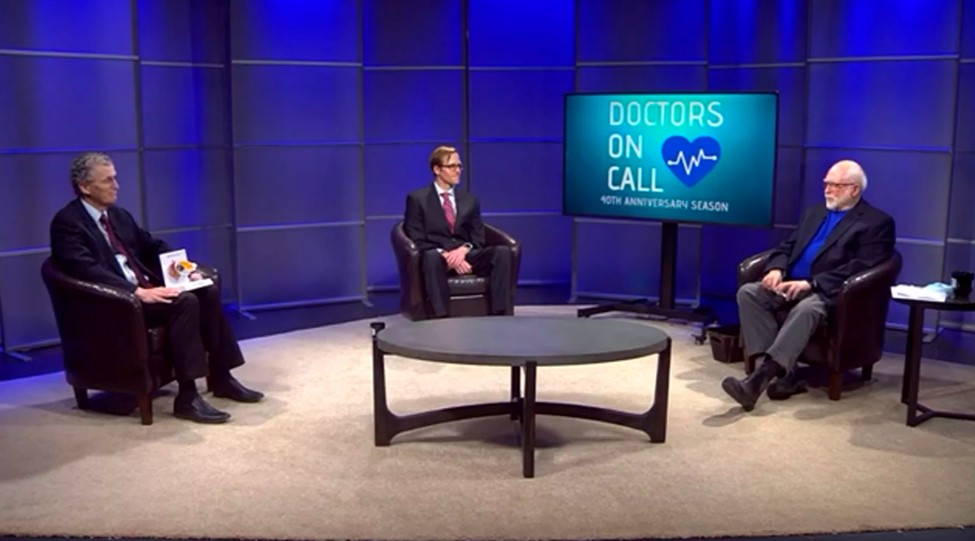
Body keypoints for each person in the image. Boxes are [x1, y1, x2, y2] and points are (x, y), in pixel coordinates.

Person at [49, 152, 263, 424]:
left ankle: (221, 377)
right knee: (185, 302)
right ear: (84, 186)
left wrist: (186, 269)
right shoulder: (67, 223)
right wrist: (135, 292)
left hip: (144, 292)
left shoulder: (118, 215)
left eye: (115, 178)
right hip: (114, 306)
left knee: (205, 290)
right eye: (108, 180)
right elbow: (85, 270)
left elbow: (151, 246)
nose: (117, 185)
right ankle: (187, 397)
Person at [721, 160, 895, 411]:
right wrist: (776, 268)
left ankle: (759, 379)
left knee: (807, 309)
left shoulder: (876, 222)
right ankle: (786, 375)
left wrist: (811, 283)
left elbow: (862, 266)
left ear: (854, 189)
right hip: (790, 283)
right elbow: (788, 246)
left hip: (831, 293)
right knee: (749, 293)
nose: (827, 190)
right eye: (826, 184)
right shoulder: (814, 213)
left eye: (835, 185)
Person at [403, 146, 514, 318]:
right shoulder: (418, 199)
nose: (458, 171)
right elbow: (416, 238)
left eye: (459, 166)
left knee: (502, 252)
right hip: (438, 257)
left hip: (466, 254)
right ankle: (441, 318)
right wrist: (448, 255)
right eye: (452, 166)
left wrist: (463, 251)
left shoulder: (470, 200)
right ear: (437, 169)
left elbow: (478, 236)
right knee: (432, 257)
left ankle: (499, 314)